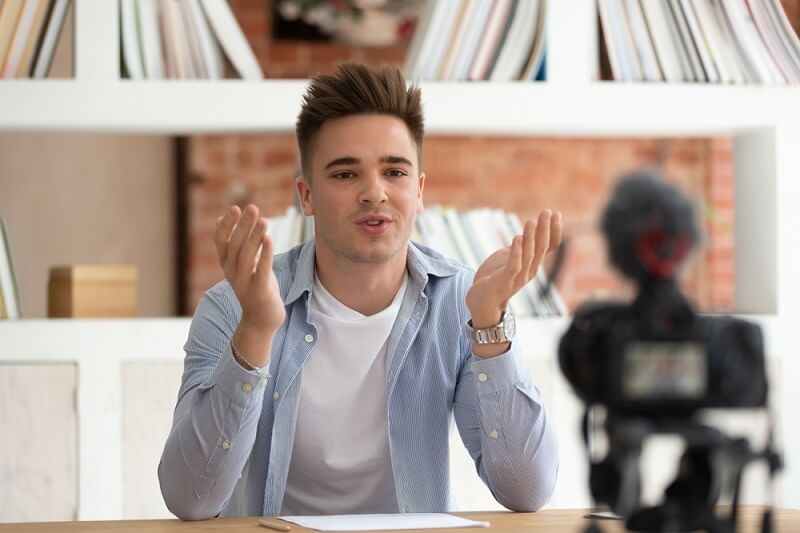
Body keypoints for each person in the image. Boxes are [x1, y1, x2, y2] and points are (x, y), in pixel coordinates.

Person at [158, 63, 561, 520]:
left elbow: (527, 490)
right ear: (306, 196)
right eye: (346, 175)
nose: (375, 193)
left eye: (395, 172)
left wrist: (489, 325)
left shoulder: (463, 303)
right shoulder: (231, 307)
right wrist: (255, 331)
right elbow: (189, 499)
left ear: (420, 190)